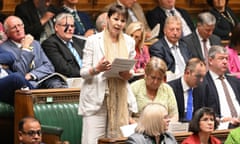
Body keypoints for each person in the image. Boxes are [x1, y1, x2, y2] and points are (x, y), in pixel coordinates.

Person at [78, 5, 137, 144]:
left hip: (120, 98)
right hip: (96, 99)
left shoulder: (130, 42)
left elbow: (131, 69)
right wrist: (97, 69)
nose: (118, 23)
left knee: (116, 141)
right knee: (92, 141)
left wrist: (128, 74)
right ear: (108, 19)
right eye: (115, 19)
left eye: (122, 21)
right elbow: (83, 72)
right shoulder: (93, 40)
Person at [1, 16, 67, 88]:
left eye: (20, 25)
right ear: (7, 33)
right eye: (14, 27)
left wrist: (32, 75)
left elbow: (49, 66)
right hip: (27, 86)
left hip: (42, 79)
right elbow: (21, 72)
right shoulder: (5, 49)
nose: (18, 29)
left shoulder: (35, 43)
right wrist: (26, 48)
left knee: (58, 86)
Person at [194, 45, 240, 128]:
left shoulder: (235, 81)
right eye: (221, 58)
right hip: (221, 126)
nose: (225, 62)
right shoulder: (202, 84)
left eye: (227, 58)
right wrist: (221, 119)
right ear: (210, 60)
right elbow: (200, 113)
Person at [131, 57, 179, 122]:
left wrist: (167, 124)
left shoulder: (167, 89)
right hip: (139, 128)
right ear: (146, 75)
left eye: (159, 79)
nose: (155, 82)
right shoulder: (134, 87)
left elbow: (174, 115)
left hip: (162, 128)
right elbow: (127, 115)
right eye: (153, 77)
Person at [41, 13, 85, 77]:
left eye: (72, 26)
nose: (69, 29)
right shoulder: (50, 44)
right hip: (68, 79)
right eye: (65, 26)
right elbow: (63, 69)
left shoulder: (79, 41)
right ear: (56, 27)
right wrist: (87, 74)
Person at [168, 58, 207, 122]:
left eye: (203, 77)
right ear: (187, 72)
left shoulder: (200, 89)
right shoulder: (170, 88)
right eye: (198, 76)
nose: (201, 80)